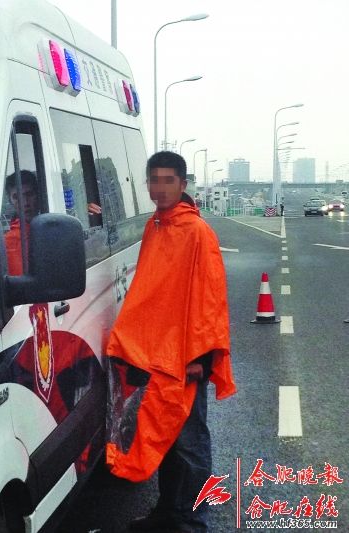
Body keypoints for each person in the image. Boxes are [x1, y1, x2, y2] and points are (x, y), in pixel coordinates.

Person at [105, 151, 237, 533]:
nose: (159, 188)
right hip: (153, 354)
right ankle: (168, 513)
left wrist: (204, 358)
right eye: (153, 180)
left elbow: (210, 299)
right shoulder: (156, 227)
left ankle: (193, 521)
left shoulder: (197, 233)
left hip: (186, 357)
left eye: (168, 181)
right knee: (163, 437)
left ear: (183, 185)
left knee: (190, 445)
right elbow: (150, 292)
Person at [4, 170, 102, 275]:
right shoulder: (8, 243)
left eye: (29, 194)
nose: (24, 202)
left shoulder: (58, 228)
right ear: (10, 201)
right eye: (16, 197)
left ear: (39, 195)